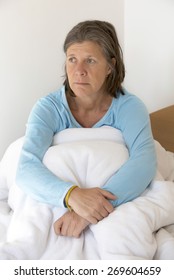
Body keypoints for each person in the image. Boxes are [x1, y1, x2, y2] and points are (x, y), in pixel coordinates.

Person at [16, 20, 156, 238]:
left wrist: (89, 210)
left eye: (90, 60)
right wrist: (72, 196)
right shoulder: (48, 108)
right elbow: (26, 167)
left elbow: (144, 161)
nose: (78, 71)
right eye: (72, 60)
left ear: (110, 66)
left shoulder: (130, 107)